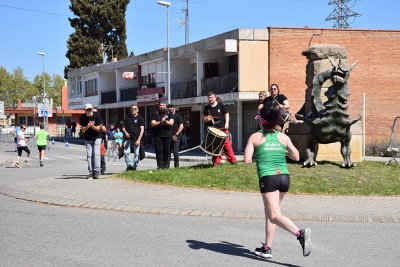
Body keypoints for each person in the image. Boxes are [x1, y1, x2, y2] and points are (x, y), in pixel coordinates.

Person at [244, 107, 311, 259]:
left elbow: (247, 160)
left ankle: (300, 234)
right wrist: (282, 151)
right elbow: (296, 156)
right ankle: (267, 248)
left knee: (273, 215)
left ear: (261, 122)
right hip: (284, 178)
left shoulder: (255, 137)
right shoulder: (283, 137)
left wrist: (260, 153)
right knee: (271, 213)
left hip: (269, 178)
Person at [203, 91, 236, 166]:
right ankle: (215, 162)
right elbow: (204, 119)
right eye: (209, 98)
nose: (210, 99)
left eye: (211, 97)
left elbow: (226, 114)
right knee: (215, 147)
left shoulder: (220, 105)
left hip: (223, 129)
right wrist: (207, 119)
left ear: (215, 97)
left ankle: (233, 161)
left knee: (227, 146)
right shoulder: (206, 108)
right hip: (213, 130)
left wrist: (227, 122)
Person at [79, 103, 104, 179]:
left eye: (90, 109)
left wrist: (92, 126)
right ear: (85, 110)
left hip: (97, 137)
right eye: (87, 110)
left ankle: (97, 171)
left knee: (96, 154)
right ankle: (91, 172)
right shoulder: (82, 117)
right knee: (89, 155)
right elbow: (83, 129)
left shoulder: (96, 116)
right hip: (88, 138)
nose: (89, 111)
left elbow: (98, 129)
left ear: (92, 109)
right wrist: (87, 126)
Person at [151, 100, 174, 170]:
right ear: (159, 106)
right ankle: (159, 166)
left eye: (163, 105)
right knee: (159, 152)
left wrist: (165, 121)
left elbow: (171, 123)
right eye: (161, 105)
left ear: (165, 106)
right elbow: (153, 123)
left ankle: (166, 166)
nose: (162, 107)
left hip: (168, 135)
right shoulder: (155, 113)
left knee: (167, 151)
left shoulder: (169, 113)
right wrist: (161, 122)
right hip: (158, 136)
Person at [122, 104, 145, 171]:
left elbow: (142, 129)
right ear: (130, 110)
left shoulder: (140, 118)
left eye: (135, 109)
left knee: (136, 154)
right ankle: (129, 165)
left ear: (138, 110)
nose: (133, 110)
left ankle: (134, 167)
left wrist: (138, 140)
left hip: (136, 139)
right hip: (128, 139)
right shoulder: (127, 117)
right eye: (132, 109)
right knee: (126, 152)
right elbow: (123, 127)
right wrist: (126, 133)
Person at [167, 104, 184, 168]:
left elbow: (181, 126)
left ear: (174, 108)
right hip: (168, 137)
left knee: (175, 152)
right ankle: (167, 166)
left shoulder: (177, 116)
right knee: (168, 152)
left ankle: (176, 166)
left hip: (176, 137)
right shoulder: (167, 116)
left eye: (171, 107)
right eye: (169, 107)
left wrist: (176, 135)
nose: (170, 108)